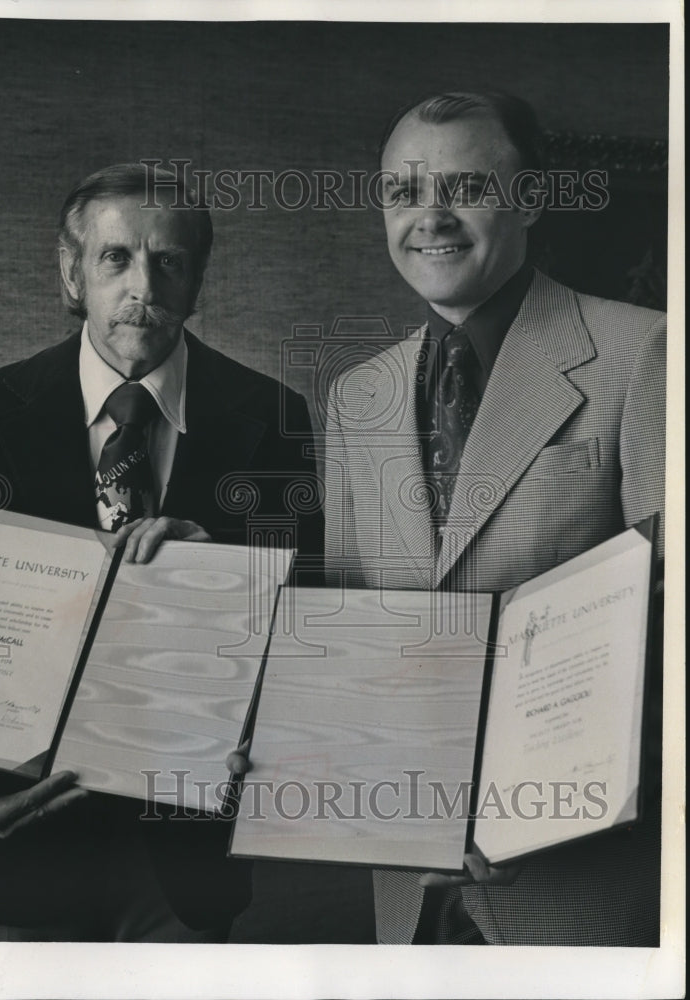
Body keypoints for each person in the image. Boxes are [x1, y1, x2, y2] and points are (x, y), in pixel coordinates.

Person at [0, 162, 323, 942]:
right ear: (73, 275)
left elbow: (305, 614)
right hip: (18, 837)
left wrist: (224, 572)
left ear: (197, 281)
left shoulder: (272, 416)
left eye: (169, 261)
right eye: (117, 258)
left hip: (184, 848)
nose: (144, 285)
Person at [324, 92, 665, 945]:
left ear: (532, 198)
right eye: (404, 193)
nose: (430, 218)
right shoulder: (357, 395)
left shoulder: (646, 352)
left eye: (466, 188)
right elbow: (348, 626)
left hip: (580, 876)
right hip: (407, 876)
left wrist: (532, 798)